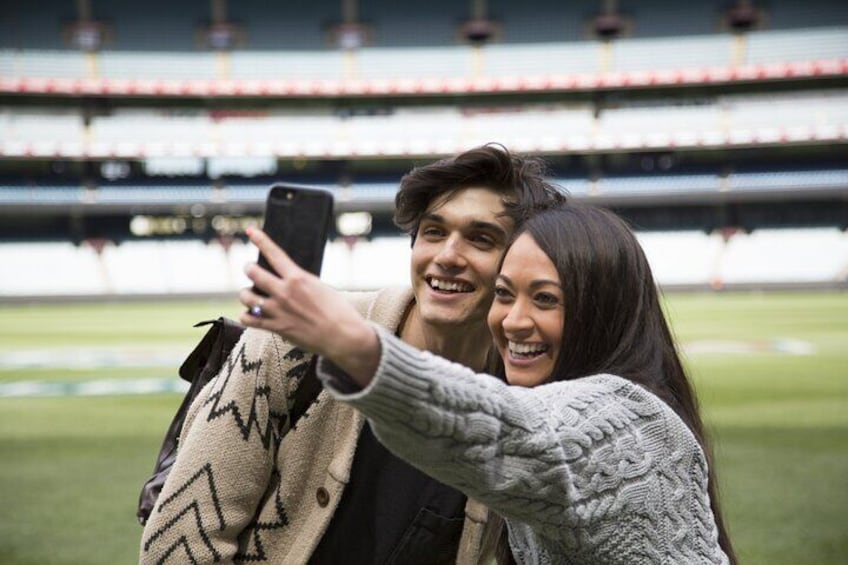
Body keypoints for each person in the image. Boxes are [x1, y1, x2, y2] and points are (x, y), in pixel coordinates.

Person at [237, 202, 737, 564]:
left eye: (545, 299)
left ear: (601, 310)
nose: (514, 321)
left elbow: (510, 434)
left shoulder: (633, 424)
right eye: (504, 294)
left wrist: (357, 345)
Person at [139, 144, 564, 564]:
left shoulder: (530, 395)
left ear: (521, 263)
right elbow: (179, 545)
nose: (447, 256)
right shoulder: (290, 341)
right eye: (433, 232)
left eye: (481, 239)